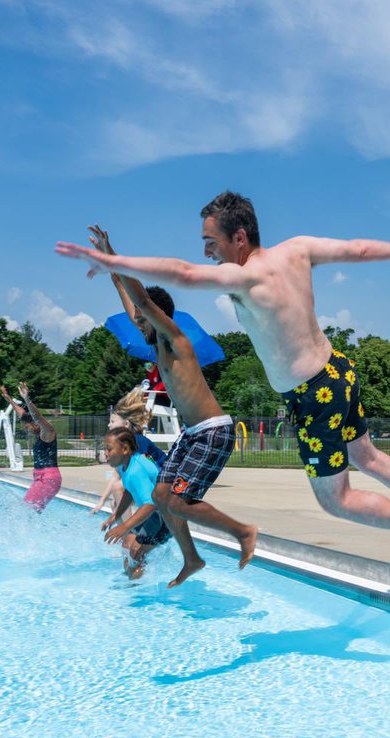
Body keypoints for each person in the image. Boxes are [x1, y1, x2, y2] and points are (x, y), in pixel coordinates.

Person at [57, 193, 390, 566]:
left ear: (240, 237)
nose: (207, 252)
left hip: (314, 394)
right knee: (368, 457)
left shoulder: (246, 277)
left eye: (211, 242)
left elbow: (182, 273)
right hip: (337, 371)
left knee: (336, 500)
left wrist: (117, 263)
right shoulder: (297, 249)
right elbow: (359, 249)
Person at [88, 225, 258, 588]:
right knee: (163, 497)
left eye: (141, 320)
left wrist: (115, 254)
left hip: (213, 431)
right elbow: (132, 300)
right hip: (192, 434)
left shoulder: (175, 338)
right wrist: (111, 269)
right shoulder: (156, 346)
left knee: (177, 501)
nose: (137, 324)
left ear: (156, 317)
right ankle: (192, 558)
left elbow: (144, 303)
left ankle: (242, 532)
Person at [102, 426, 173, 580]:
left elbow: (150, 503)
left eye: (109, 449)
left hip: (167, 518)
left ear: (125, 449)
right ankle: (132, 579)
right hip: (154, 515)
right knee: (127, 545)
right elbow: (129, 490)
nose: (105, 453)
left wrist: (124, 526)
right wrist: (116, 515)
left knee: (135, 552)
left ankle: (138, 591)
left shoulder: (136, 470)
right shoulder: (124, 466)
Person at [89, 387, 169, 516]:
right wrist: (101, 502)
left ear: (126, 424)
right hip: (151, 482)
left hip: (164, 481)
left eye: (112, 421)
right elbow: (116, 476)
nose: (109, 425)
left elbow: (144, 470)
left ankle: (129, 531)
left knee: (119, 488)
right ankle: (127, 534)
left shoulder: (138, 441)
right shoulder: (123, 447)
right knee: (114, 502)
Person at [0, 382, 61, 512]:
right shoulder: (38, 430)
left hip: (48, 478)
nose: (27, 430)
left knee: (26, 510)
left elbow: (37, 417)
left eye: (28, 427)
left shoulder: (48, 432)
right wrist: (9, 399)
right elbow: (23, 413)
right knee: (31, 512)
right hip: (42, 478)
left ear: (34, 424)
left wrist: (26, 399)